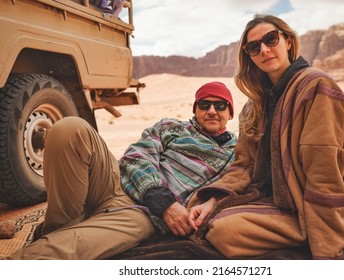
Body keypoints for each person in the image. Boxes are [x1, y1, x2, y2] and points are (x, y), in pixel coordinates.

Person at [188, 14, 344, 260]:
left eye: (271, 39)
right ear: (249, 56)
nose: (264, 50)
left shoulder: (316, 87)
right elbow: (244, 165)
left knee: (223, 231)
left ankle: (308, 237)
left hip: (303, 207)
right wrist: (214, 199)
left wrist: (328, 252)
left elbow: (324, 173)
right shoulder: (255, 105)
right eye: (254, 47)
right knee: (201, 215)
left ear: (288, 41)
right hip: (268, 199)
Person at [5, 81, 237, 259]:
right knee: (69, 128)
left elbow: (237, 182)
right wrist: (162, 200)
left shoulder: (235, 151)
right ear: (196, 109)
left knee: (66, 249)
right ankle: (63, 224)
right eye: (204, 104)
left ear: (230, 112)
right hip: (116, 184)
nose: (212, 111)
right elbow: (137, 155)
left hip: (143, 214)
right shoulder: (171, 126)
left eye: (220, 105)